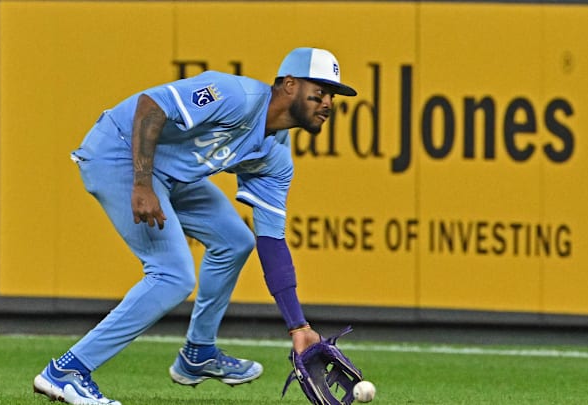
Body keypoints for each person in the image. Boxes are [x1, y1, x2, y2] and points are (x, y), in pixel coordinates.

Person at [32, 47, 357, 405]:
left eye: (332, 96)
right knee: (172, 275)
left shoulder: (275, 156)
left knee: (236, 240)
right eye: (321, 91)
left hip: (169, 176)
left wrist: (299, 326)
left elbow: (272, 242)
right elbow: (150, 106)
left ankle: (197, 354)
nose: (328, 103)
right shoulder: (237, 96)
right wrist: (141, 184)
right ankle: (66, 372)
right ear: (290, 84)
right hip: (120, 152)